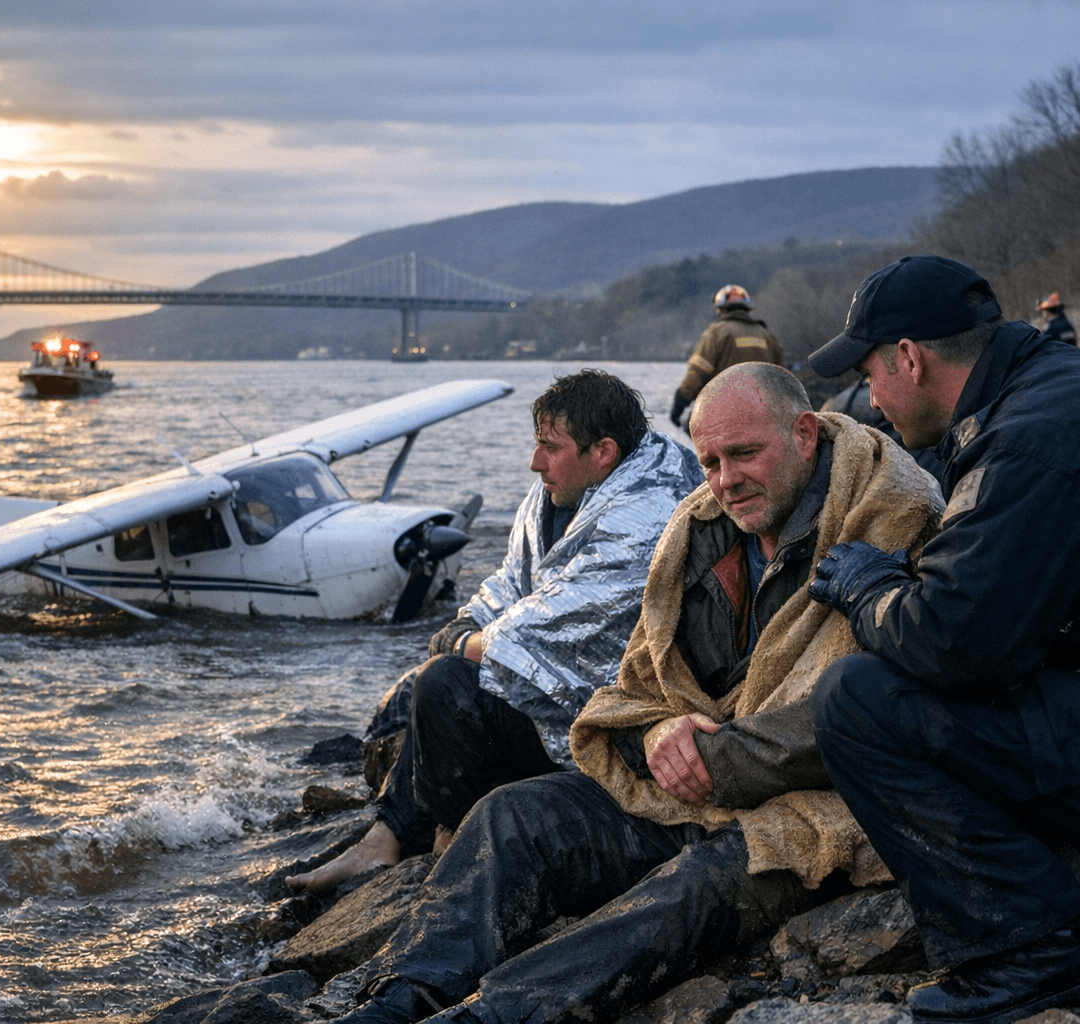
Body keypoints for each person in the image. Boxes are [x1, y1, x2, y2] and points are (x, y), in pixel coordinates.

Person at [330, 363, 944, 1024]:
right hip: (684, 785)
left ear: (802, 434)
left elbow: (876, 706)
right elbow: (635, 687)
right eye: (709, 460)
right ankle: (397, 997)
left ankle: (490, 1015)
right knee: (511, 815)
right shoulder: (700, 529)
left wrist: (710, 758)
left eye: (744, 454)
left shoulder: (894, 521)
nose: (725, 479)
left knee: (687, 892)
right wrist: (653, 732)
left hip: (802, 807)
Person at [804, 254, 1080, 1024]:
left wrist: (866, 587)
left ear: (909, 359)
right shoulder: (1070, 385)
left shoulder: (1038, 432)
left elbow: (959, 643)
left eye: (870, 373)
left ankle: (1041, 949)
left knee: (859, 700)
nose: (871, 401)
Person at [288, 369, 702, 891]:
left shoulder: (648, 513)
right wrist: (470, 620)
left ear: (603, 452)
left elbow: (555, 623)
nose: (535, 463)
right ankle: (395, 834)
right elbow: (514, 582)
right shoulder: (557, 495)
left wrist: (462, 642)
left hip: (613, 732)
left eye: (550, 448)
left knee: (446, 680)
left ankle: (436, 840)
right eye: (537, 445)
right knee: (446, 676)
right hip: (569, 704)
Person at [669, 284, 784, 427]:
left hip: (725, 410)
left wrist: (680, 402)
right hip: (762, 411)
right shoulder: (767, 336)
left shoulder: (716, 333)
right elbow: (783, 377)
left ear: (720, 308)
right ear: (746, 307)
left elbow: (698, 372)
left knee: (690, 426)